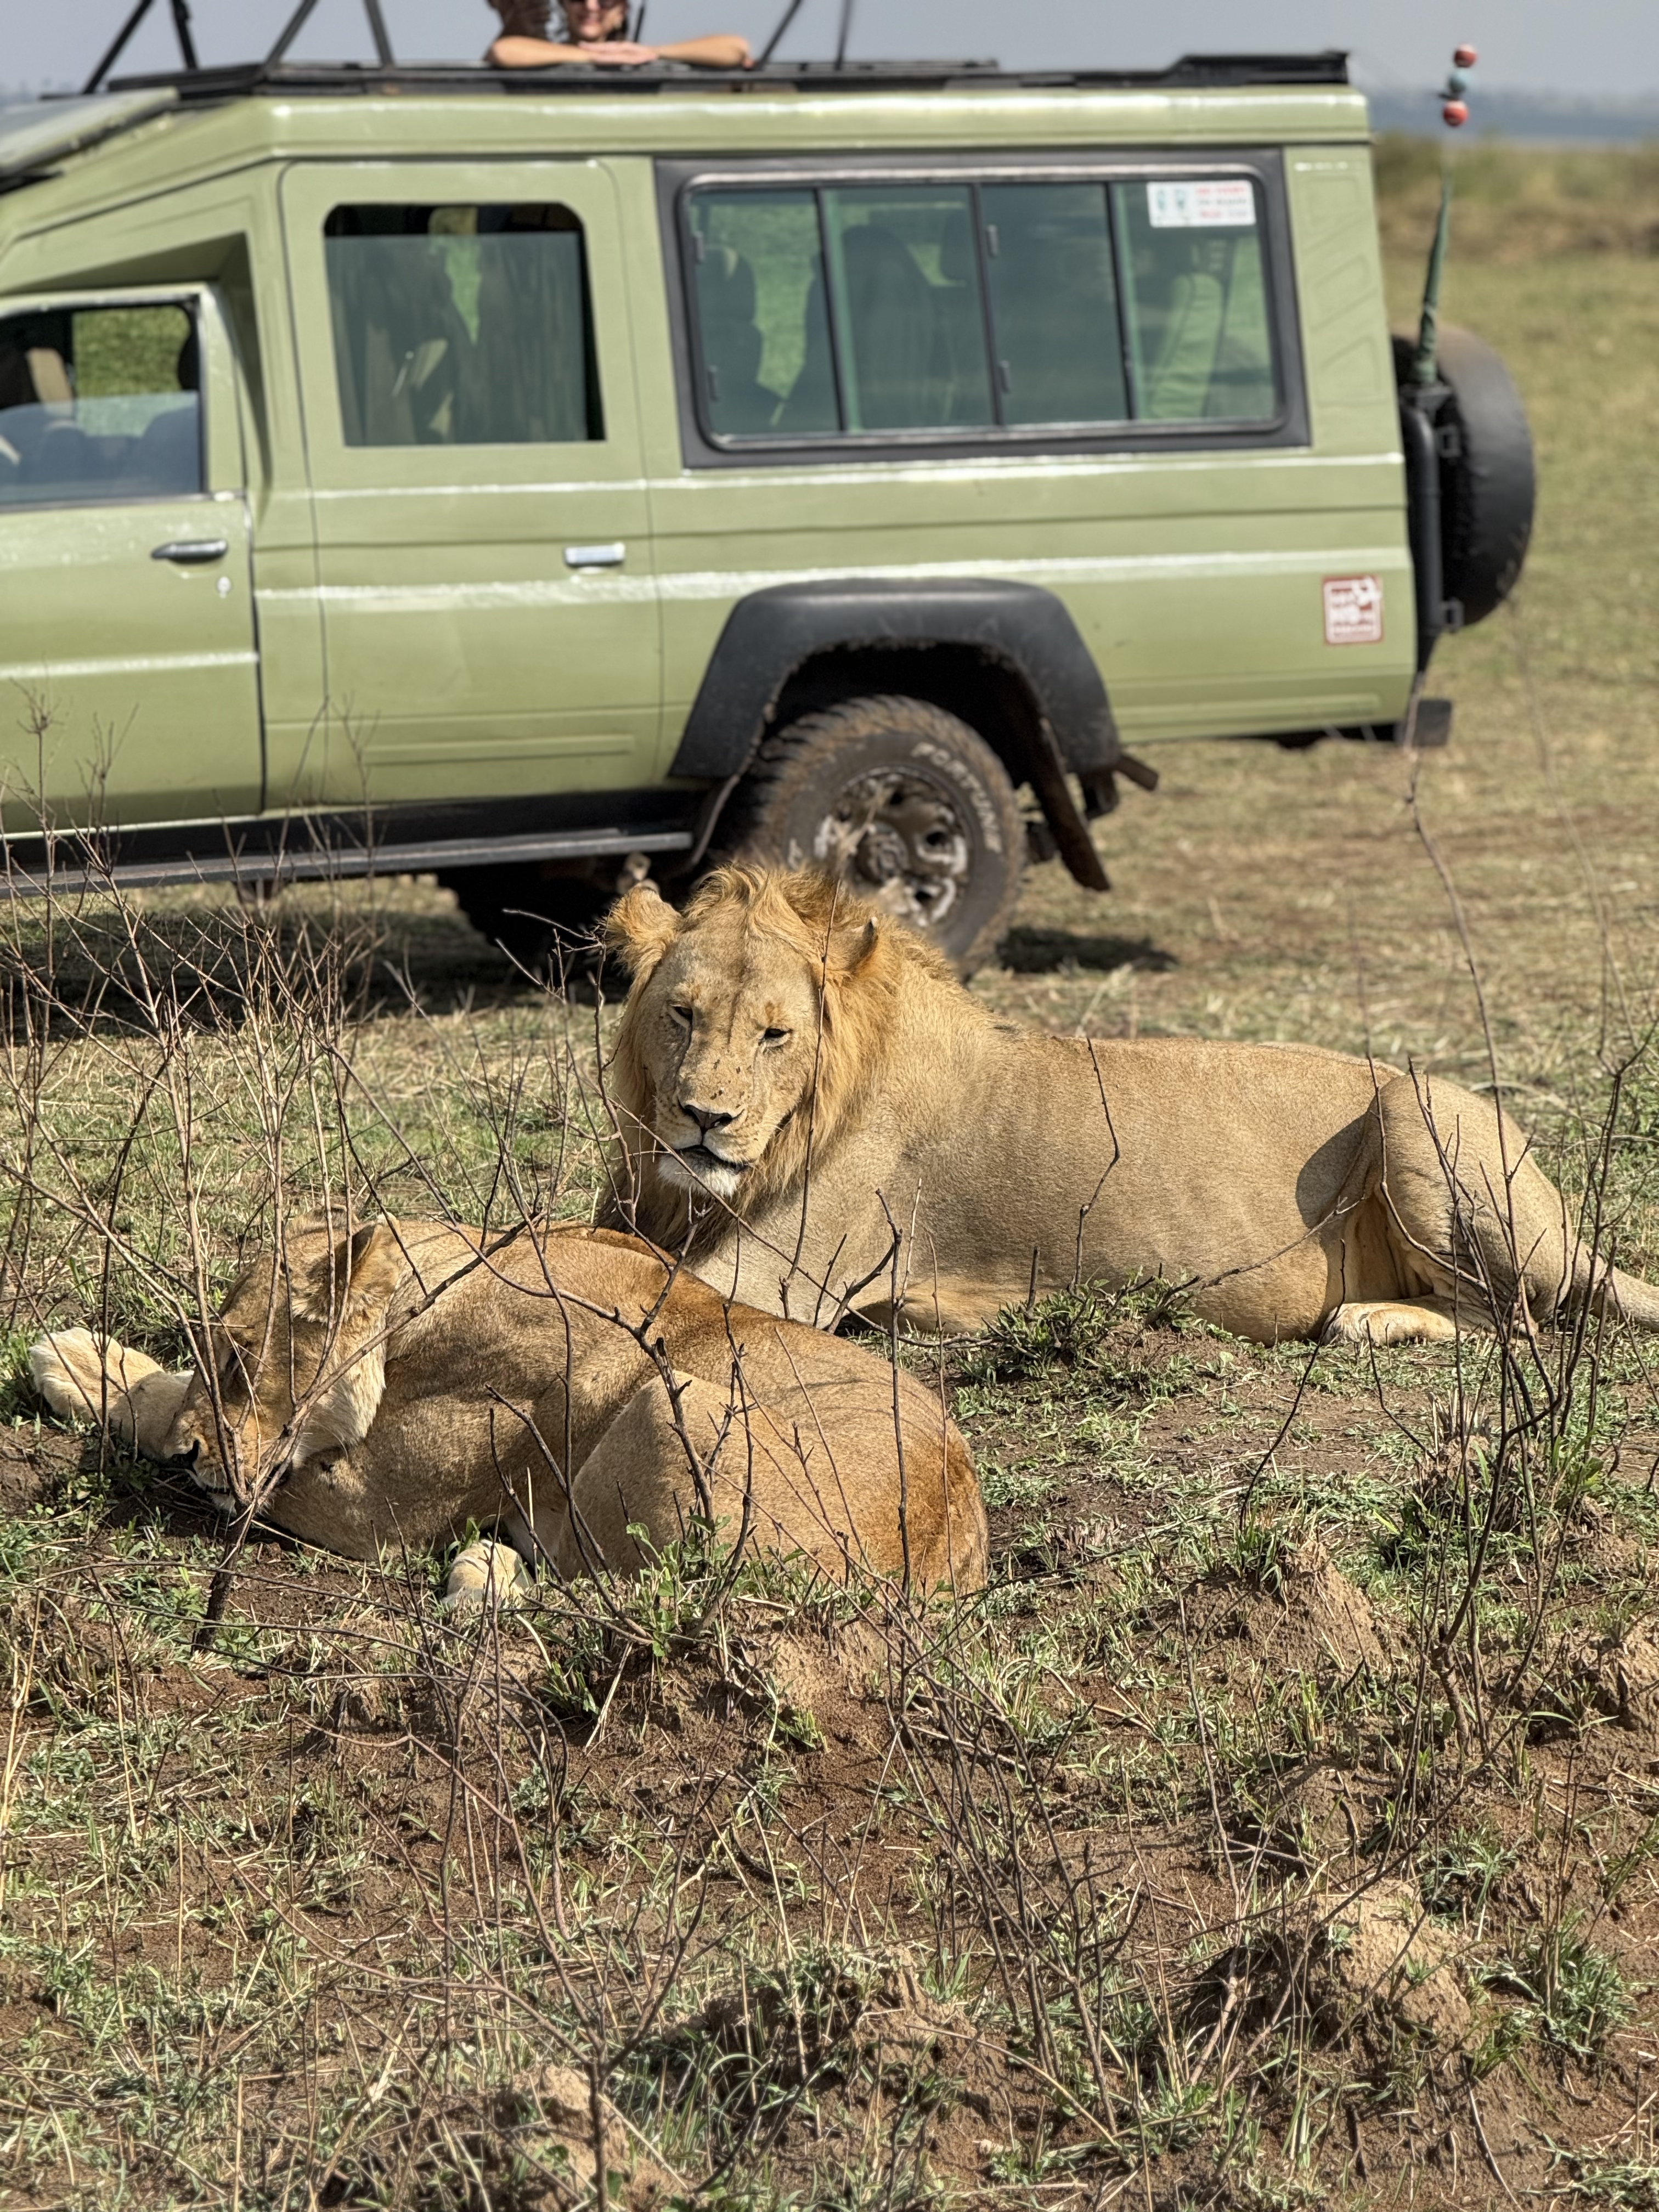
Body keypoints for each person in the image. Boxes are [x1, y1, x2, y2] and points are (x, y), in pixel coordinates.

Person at [486, 0, 751, 69]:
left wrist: (654, 54)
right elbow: (504, 52)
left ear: (621, 11)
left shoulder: (636, 59)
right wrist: (590, 58)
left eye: (605, 1)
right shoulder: (545, 55)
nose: (591, 7)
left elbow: (735, 48)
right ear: (564, 5)